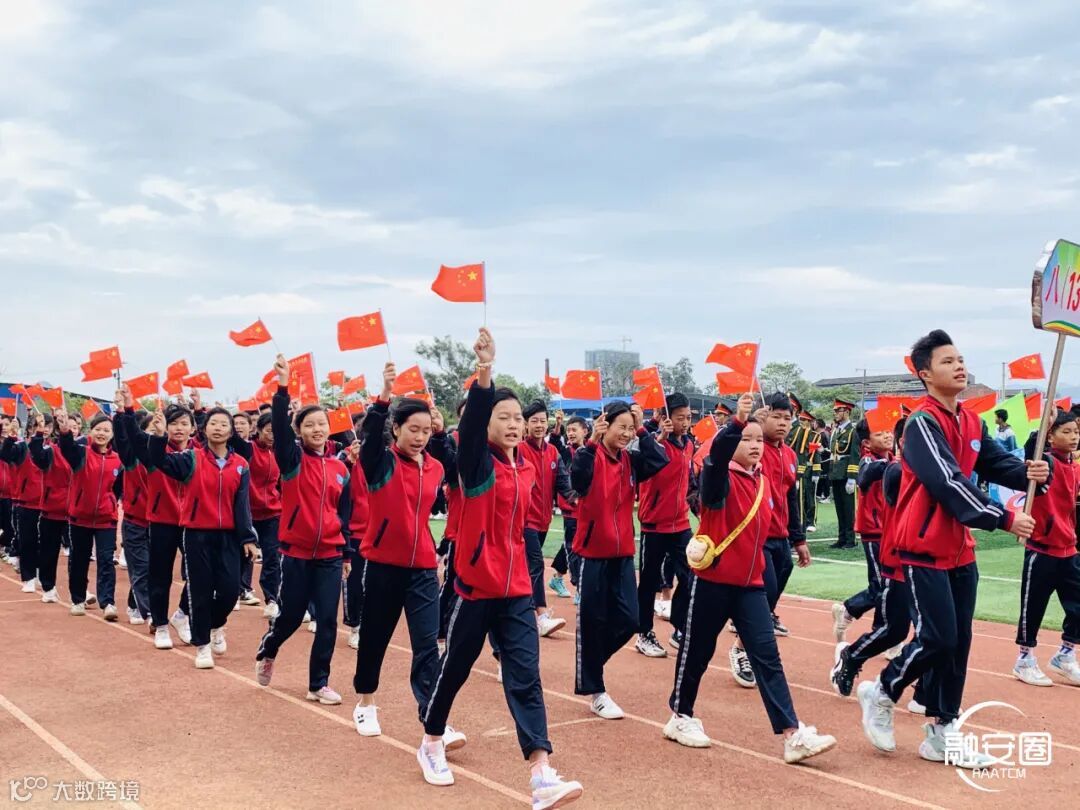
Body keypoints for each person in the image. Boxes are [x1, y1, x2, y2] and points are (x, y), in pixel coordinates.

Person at [857, 329, 1049, 766]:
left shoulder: (971, 421)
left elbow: (997, 464)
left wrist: (1034, 472)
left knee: (959, 642)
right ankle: (882, 690)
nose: (959, 366)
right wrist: (1003, 518)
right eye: (947, 361)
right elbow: (947, 482)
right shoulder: (921, 425)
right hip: (923, 546)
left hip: (960, 548)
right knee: (938, 638)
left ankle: (942, 731)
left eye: (960, 359)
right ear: (925, 374)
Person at [420, 328, 583, 807]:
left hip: (514, 590)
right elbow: (470, 430)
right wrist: (485, 370)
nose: (513, 425)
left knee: (526, 677)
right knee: (455, 668)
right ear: (485, 423)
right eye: (503, 417)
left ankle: (541, 773)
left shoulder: (527, 467)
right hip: (474, 586)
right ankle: (431, 741)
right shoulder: (475, 464)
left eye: (518, 418)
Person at [662, 393, 837, 763]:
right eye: (747, 439)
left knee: (767, 656)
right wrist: (737, 423)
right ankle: (680, 715)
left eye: (758, 439)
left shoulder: (763, 483)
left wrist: (796, 539)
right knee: (697, 651)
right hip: (713, 581)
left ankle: (791, 734)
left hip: (750, 585)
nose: (755, 445)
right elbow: (716, 458)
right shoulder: (717, 479)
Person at [351, 362, 464, 749]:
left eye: (425, 430)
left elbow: (456, 469)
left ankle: (433, 719)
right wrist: (383, 397)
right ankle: (366, 702)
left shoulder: (434, 467)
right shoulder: (380, 463)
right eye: (412, 429)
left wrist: (442, 434)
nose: (419, 437)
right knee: (375, 638)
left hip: (422, 570)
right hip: (382, 565)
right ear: (396, 429)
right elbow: (369, 440)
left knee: (427, 646)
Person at [256, 354, 352, 704]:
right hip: (295, 553)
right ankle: (269, 648)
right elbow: (281, 432)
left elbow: (345, 514)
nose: (317, 430)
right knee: (292, 616)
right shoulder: (293, 461)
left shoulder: (340, 469)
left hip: (329, 554)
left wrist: (346, 554)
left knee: (327, 620)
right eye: (309, 425)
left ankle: (318, 684)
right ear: (299, 431)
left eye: (322, 424)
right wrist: (282, 388)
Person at [571, 399, 669, 719]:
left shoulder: (631, 460)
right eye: (621, 427)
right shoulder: (589, 455)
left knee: (631, 619)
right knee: (593, 621)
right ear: (605, 425)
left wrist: (642, 430)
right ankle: (596, 690)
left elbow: (660, 461)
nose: (626, 433)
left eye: (630, 428)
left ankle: (590, 664)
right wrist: (591, 442)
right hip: (592, 554)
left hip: (623, 553)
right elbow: (578, 482)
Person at [147, 406, 257, 669]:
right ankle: (203, 645)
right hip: (197, 534)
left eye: (223, 424)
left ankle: (216, 624)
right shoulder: (191, 458)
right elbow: (160, 461)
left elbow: (242, 505)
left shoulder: (240, 465)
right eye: (213, 423)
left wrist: (248, 538)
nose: (218, 428)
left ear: (231, 431)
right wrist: (159, 436)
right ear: (204, 429)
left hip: (229, 537)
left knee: (230, 592)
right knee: (200, 591)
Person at [118, 396, 196, 648]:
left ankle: (182, 615)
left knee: (199, 574)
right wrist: (127, 409)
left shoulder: (198, 453)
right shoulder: (153, 451)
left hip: (193, 522)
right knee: (160, 576)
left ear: (193, 427)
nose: (179, 428)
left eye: (184, 423)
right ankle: (161, 625)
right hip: (162, 521)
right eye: (174, 423)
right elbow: (132, 436)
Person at [1012, 409, 1080, 686]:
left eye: (1076, 431)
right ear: (1051, 436)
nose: (1074, 436)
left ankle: (1066, 654)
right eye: (1066, 431)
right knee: (1033, 608)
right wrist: (1043, 426)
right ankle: (1024, 659)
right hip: (1042, 550)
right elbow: (1032, 452)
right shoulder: (1046, 463)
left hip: (1069, 550)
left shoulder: (1074, 466)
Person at [635, 393, 695, 658]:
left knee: (693, 575)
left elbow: (690, 481)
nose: (685, 423)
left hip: (681, 523)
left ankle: (679, 626)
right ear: (666, 418)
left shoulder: (688, 444)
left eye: (688, 417)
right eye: (680, 418)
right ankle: (644, 633)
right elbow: (645, 458)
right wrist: (659, 437)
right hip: (654, 524)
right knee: (649, 582)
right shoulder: (654, 443)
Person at [832, 418, 894, 644]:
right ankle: (851, 610)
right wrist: (892, 465)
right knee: (880, 587)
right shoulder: (868, 461)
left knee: (893, 586)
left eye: (888, 430)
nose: (887, 435)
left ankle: (884, 631)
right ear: (867, 442)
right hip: (874, 532)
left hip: (894, 532)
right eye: (880, 433)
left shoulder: (894, 459)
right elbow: (866, 474)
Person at [519, 400, 574, 637]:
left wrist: (578, 499)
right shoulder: (519, 450)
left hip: (543, 521)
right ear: (525, 424)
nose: (540, 425)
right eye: (535, 421)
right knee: (536, 564)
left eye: (543, 420)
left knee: (523, 569)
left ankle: (517, 610)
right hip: (524, 520)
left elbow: (563, 483)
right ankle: (541, 616)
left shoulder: (552, 452)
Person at [235, 411, 284, 619]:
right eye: (269, 431)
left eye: (276, 432)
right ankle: (237, 591)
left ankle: (272, 599)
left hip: (272, 513)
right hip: (248, 513)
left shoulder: (280, 452)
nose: (272, 436)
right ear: (259, 430)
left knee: (273, 557)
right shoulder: (249, 449)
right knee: (242, 555)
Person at [112, 398, 153, 624]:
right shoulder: (131, 457)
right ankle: (150, 614)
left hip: (160, 522)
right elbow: (121, 437)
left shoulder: (168, 458)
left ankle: (134, 604)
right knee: (142, 568)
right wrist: (121, 413)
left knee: (153, 569)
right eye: (149, 429)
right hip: (135, 521)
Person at [28, 411, 71, 606]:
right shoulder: (51, 451)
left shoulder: (83, 452)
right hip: (52, 510)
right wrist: (38, 432)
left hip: (75, 513)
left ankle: (79, 590)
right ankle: (48, 587)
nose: (71, 429)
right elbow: (36, 455)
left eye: (75, 426)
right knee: (49, 552)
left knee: (78, 555)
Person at [1, 413, 47, 593]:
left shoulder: (54, 449)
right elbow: (5, 455)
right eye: (37, 426)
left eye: (46, 426)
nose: (42, 429)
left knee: (45, 543)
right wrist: (11, 437)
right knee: (27, 541)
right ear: (30, 429)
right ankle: (28, 577)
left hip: (48, 504)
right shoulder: (21, 447)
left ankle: (42, 574)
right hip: (26, 502)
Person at [549, 415, 589, 604]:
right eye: (569, 430)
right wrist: (558, 425)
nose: (571, 433)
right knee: (573, 548)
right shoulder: (565, 453)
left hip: (588, 510)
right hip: (571, 510)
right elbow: (555, 443)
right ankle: (580, 587)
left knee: (578, 547)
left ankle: (557, 577)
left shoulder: (591, 452)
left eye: (575, 430)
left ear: (585, 431)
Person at [786, 398, 820, 533]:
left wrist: (798, 475)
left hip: (798, 472)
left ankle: (800, 532)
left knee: (800, 503)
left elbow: (802, 455)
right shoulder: (784, 427)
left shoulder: (801, 431)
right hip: (783, 471)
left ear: (795, 410)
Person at [828, 400, 858, 549]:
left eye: (838, 411)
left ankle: (850, 539)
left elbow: (854, 455)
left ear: (846, 411)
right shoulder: (836, 431)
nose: (835, 414)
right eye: (835, 411)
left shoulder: (852, 431)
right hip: (836, 473)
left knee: (848, 509)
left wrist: (852, 478)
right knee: (839, 508)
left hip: (846, 474)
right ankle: (841, 538)